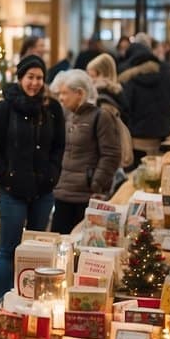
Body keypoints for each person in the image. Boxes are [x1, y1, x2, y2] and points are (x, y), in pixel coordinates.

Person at [0, 54, 65, 300]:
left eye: (39, 78)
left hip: (43, 190)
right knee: (9, 248)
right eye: (30, 77)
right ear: (20, 78)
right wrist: (5, 177)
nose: (35, 83)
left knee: (39, 250)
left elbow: (59, 146)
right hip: (12, 191)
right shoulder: (4, 109)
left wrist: (52, 174)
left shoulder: (52, 109)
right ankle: (1, 298)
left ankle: (34, 298)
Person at [50, 70, 121, 233]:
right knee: (60, 243)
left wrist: (95, 183)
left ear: (80, 93)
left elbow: (111, 155)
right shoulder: (66, 115)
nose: (60, 98)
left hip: (86, 197)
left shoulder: (101, 117)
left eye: (64, 93)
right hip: (62, 193)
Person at [120, 41, 170, 161]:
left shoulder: (128, 80)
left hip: (136, 140)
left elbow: (124, 110)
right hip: (163, 137)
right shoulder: (168, 75)